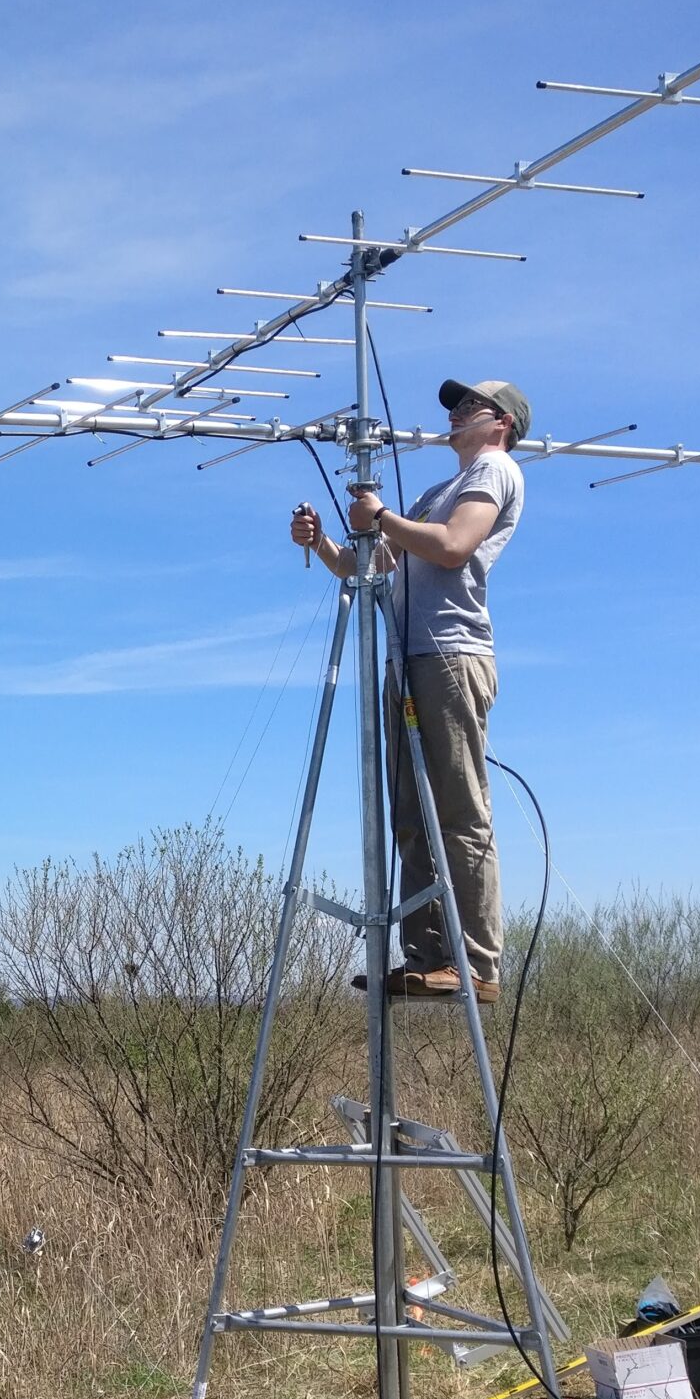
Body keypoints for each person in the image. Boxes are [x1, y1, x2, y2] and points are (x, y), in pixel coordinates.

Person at [289, 377, 529, 1005]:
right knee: (412, 813)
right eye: (450, 405)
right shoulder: (436, 491)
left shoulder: (494, 472)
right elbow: (367, 571)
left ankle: (475, 963)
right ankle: (427, 956)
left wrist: (385, 518)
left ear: (501, 421)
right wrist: (327, 543)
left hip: (451, 655)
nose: (453, 415)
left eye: (468, 406)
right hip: (408, 656)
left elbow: (452, 548)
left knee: (458, 811)